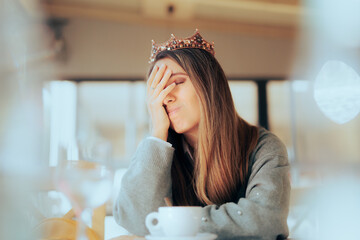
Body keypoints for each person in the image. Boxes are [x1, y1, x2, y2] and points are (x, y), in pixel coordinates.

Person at [113, 30, 290, 240]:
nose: (165, 97)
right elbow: (133, 220)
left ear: (209, 84)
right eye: (157, 89)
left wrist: (176, 221)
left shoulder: (264, 147)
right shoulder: (159, 152)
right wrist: (157, 132)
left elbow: (264, 219)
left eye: (177, 82)